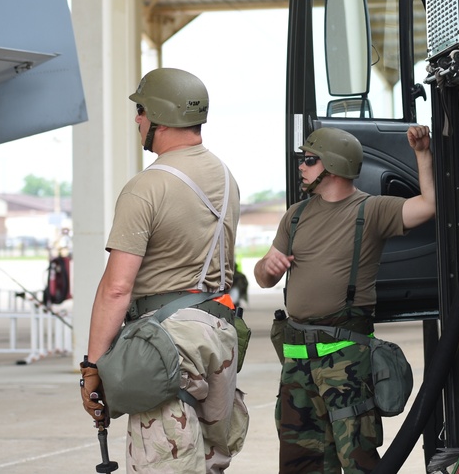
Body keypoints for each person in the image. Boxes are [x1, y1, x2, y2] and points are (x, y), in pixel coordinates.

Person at [78, 67, 247, 473]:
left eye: (140, 109)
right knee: (211, 462)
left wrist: (94, 368)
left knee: (164, 463)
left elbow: (116, 288)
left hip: (168, 346)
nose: (136, 118)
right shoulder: (226, 178)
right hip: (218, 333)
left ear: (159, 115)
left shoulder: (148, 186)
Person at [254, 125, 435, 473]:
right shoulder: (296, 216)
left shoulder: (371, 211)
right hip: (297, 364)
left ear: (333, 165)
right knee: (299, 464)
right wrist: (267, 266)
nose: (301, 167)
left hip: (346, 364)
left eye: (309, 160)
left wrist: (423, 155)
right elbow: (264, 277)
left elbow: (428, 206)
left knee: (357, 461)